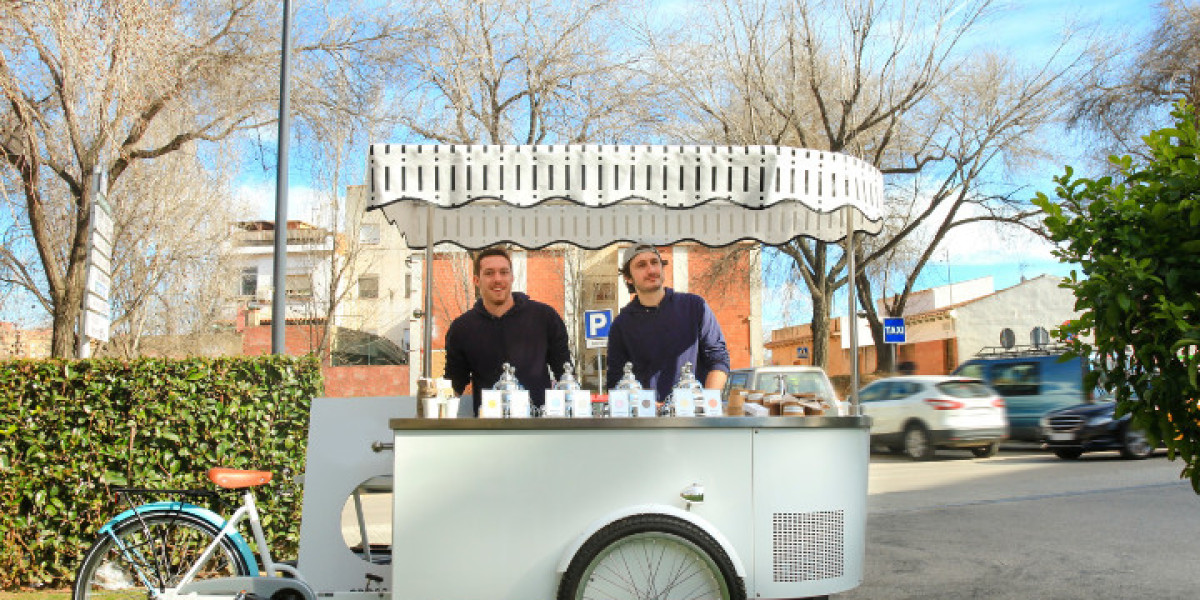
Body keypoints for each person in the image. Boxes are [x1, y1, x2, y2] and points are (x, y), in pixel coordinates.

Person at [443, 246, 572, 413]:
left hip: (540, 429)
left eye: (503, 272)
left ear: (512, 277)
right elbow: (454, 385)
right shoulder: (462, 328)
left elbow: (566, 374)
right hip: (489, 430)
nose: (497, 279)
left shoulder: (545, 317)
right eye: (489, 273)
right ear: (476, 280)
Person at [605, 242, 730, 401]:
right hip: (647, 419)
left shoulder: (695, 307)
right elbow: (616, 382)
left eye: (654, 262)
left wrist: (706, 402)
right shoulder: (621, 326)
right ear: (628, 278)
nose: (651, 270)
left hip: (694, 417)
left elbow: (718, 358)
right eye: (641, 265)